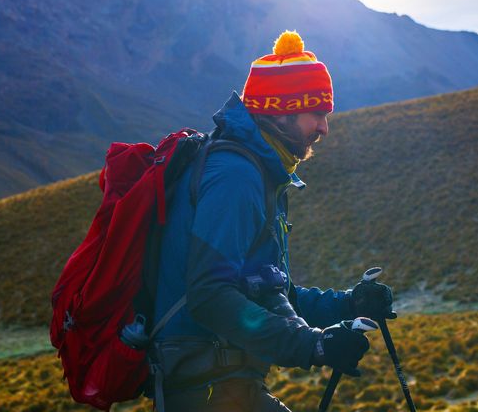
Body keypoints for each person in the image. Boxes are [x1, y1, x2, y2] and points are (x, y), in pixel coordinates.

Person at [146, 30, 396, 411]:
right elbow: (210, 296)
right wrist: (312, 344)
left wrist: (349, 305)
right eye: (318, 114)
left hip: (225, 382)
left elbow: (270, 294)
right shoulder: (236, 176)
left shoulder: (261, 172)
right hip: (207, 387)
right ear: (282, 109)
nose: (325, 128)